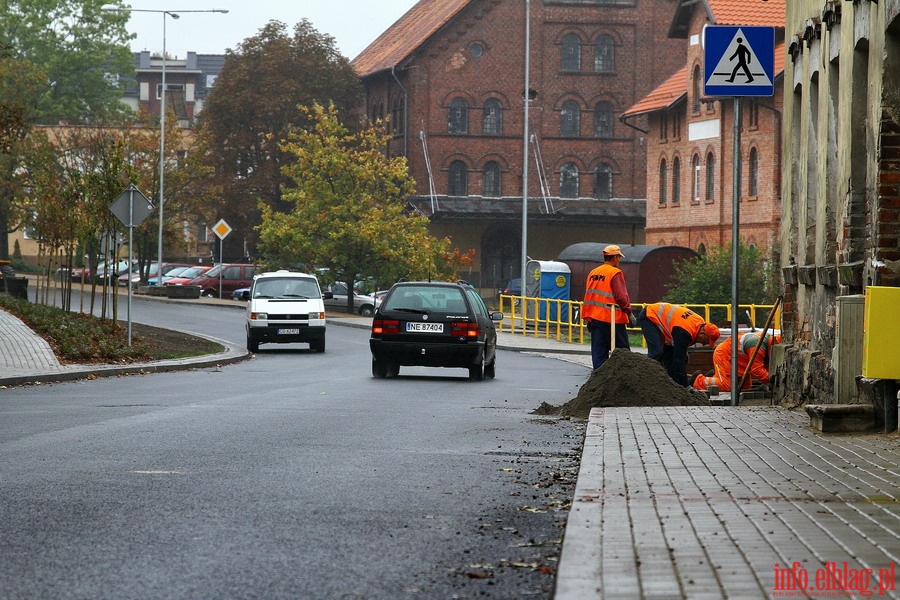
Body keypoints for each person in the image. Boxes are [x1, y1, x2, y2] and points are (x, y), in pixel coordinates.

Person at [637, 302, 720, 386]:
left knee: (670, 357)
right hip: (650, 316)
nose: (703, 344)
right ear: (702, 333)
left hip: (664, 323)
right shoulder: (684, 332)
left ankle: (672, 384)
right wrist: (685, 386)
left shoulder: (699, 322)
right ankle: (643, 382)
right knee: (657, 353)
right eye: (705, 341)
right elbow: (678, 360)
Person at [581, 244, 635, 370]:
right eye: (619, 258)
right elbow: (621, 296)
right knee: (623, 354)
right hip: (612, 319)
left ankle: (599, 381)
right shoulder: (615, 273)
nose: (619, 261)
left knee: (599, 353)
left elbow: (590, 296)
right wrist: (629, 312)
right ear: (615, 257)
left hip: (595, 319)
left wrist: (588, 318)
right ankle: (624, 380)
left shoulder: (593, 272)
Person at [692, 332, 781, 392]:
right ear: (774, 343)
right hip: (724, 355)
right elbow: (757, 370)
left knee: (745, 388)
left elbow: (763, 364)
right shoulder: (757, 347)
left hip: (739, 362)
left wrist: (766, 382)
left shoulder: (768, 342)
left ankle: (714, 377)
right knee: (729, 387)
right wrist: (772, 381)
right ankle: (699, 380)